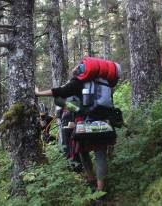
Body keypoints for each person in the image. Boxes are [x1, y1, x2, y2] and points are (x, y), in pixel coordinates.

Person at [35, 59, 121, 196]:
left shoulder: (79, 81)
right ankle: (100, 189)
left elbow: (60, 92)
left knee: (82, 151)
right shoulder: (105, 83)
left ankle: (91, 181)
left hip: (84, 122)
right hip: (103, 123)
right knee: (100, 154)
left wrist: (38, 94)